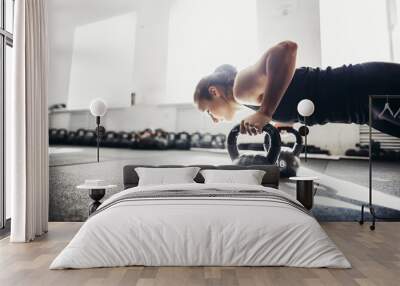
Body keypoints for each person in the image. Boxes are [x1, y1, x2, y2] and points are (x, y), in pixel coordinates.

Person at [193, 41, 400, 138]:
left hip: (368, 89)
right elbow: (297, 96)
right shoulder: (249, 98)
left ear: (214, 91)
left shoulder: (240, 87)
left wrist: (265, 112)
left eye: (208, 111)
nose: (213, 119)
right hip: (366, 109)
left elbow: (286, 49)